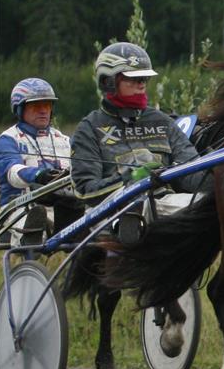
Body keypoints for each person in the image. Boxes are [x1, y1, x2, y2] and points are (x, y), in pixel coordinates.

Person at [70, 42, 207, 234]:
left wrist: (218, 175)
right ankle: (129, 221)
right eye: (133, 78)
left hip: (161, 203)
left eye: (144, 78)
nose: (142, 83)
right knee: (134, 203)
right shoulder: (90, 128)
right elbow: (85, 191)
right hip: (109, 208)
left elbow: (192, 173)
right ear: (109, 81)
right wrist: (128, 179)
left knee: (211, 203)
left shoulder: (162, 121)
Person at [0, 77, 78, 244]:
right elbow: (12, 173)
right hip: (19, 208)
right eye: (36, 106)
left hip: (62, 207)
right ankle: (30, 247)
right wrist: (40, 174)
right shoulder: (7, 140)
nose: (43, 111)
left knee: (96, 224)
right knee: (34, 221)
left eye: (47, 105)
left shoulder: (63, 140)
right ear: (20, 109)